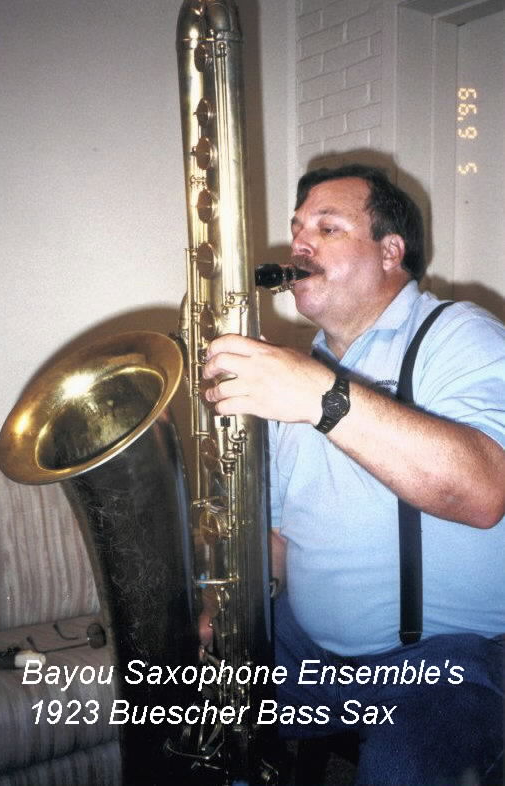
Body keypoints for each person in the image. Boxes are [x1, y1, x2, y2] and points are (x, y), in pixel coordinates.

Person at [202, 164, 505, 785]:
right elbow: (281, 537)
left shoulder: (461, 334)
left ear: (391, 251)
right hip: (314, 652)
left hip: (452, 658)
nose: (299, 244)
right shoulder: (296, 374)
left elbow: (484, 493)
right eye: (297, 229)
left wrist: (320, 396)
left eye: (327, 227)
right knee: (184, 713)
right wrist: (223, 609)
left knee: (403, 771)